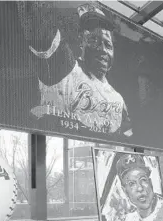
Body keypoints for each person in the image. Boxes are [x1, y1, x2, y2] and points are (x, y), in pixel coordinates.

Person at [27, 4, 132, 136]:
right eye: (94, 40)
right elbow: (39, 30)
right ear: (81, 40)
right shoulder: (66, 68)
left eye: (108, 44)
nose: (103, 49)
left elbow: (128, 139)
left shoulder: (118, 99)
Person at [102, 154, 163, 221]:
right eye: (132, 184)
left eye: (143, 180)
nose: (140, 188)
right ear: (125, 190)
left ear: (150, 182)